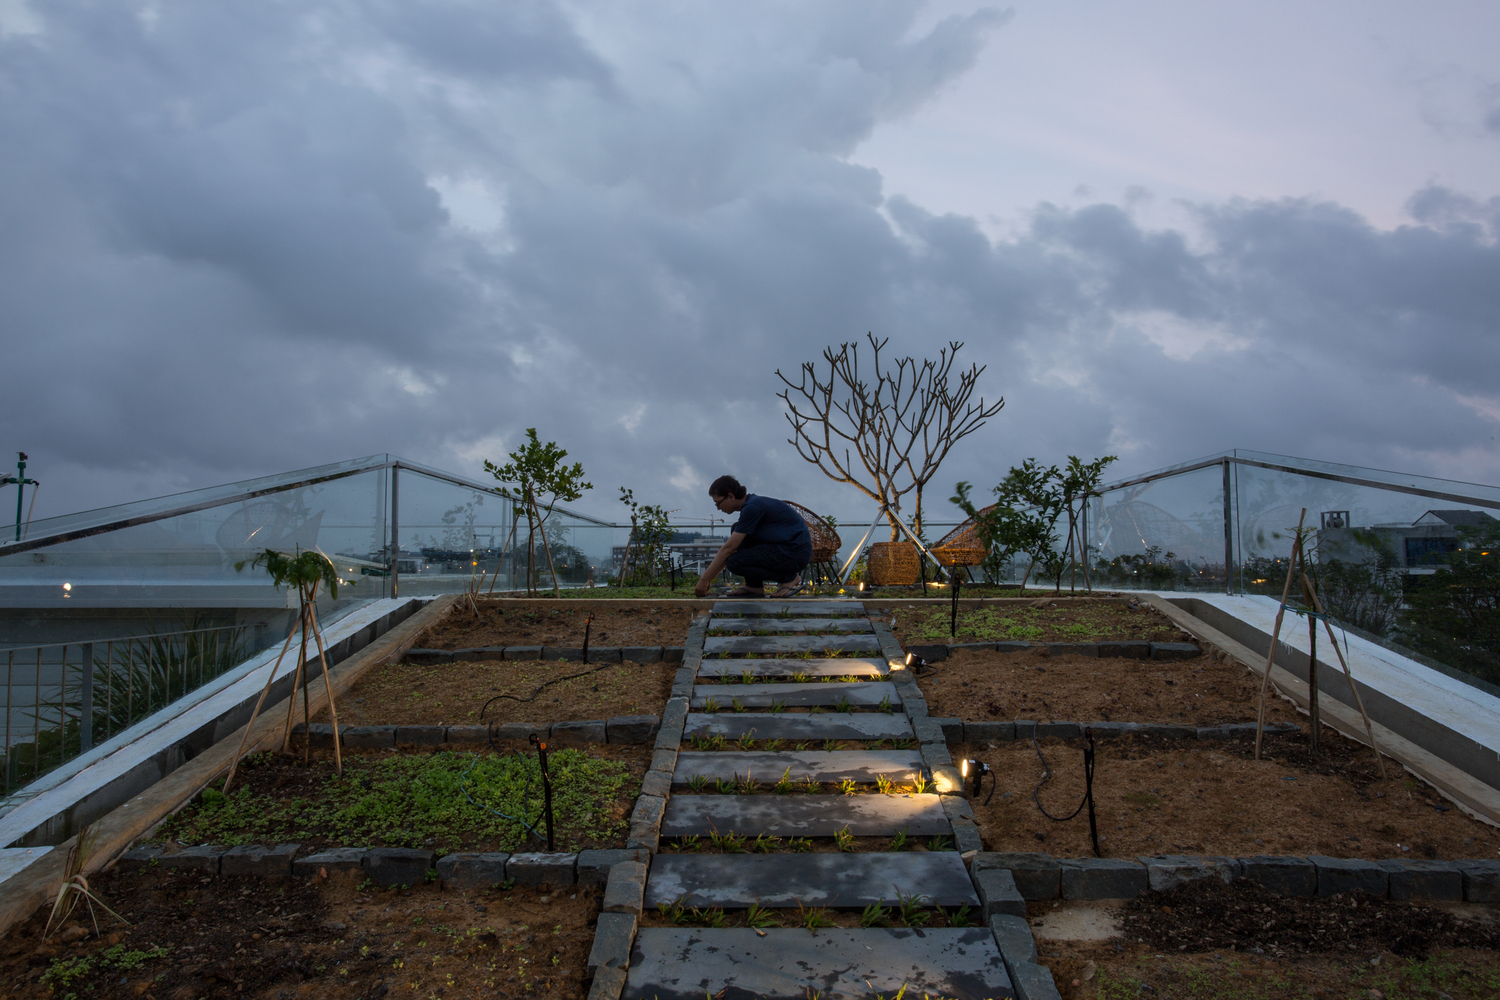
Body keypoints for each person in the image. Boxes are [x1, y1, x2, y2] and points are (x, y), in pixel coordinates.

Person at [694, 475, 812, 598]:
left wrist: (705, 580)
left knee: (734, 562)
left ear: (731, 496)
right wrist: (708, 579)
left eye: (718, 503)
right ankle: (754, 586)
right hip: (788, 548)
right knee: (736, 528)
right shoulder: (752, 504)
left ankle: (789, 578)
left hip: (795, 553)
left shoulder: (752, 507)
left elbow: (728, 548)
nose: (718, 508)